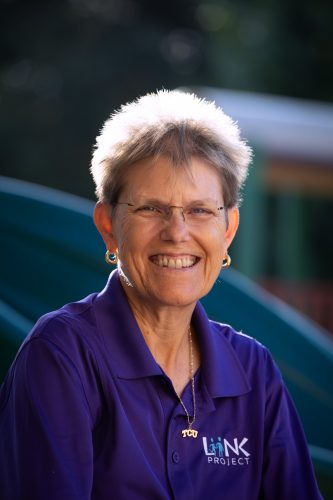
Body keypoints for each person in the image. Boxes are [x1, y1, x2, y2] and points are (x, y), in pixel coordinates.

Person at [0, 90, 322, 499]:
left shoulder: (253, 369)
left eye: (200, 210)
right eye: (151, 208)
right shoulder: (62, 354)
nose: (177, 233)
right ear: (108, 226)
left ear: (227, 230)